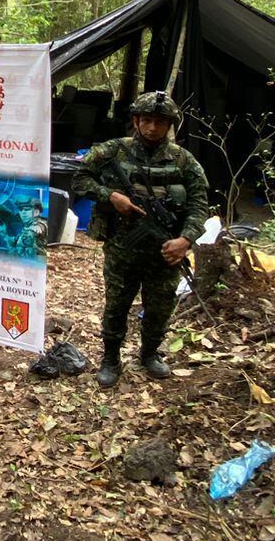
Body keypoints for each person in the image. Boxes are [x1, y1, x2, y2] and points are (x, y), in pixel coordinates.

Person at [70, 90, 209, 387]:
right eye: (146, 120)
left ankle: (149, 354)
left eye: (160, 122)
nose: (152, 128)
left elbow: (199, 205)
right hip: (123, 246)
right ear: (135, 121)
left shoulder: (184, 161)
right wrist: (111, 196)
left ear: (169, 125)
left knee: (159, 307)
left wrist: (185, 240)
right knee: (116, 305)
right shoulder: (113, 151)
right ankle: (110, 359)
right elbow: (80, 178)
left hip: (166, 249)